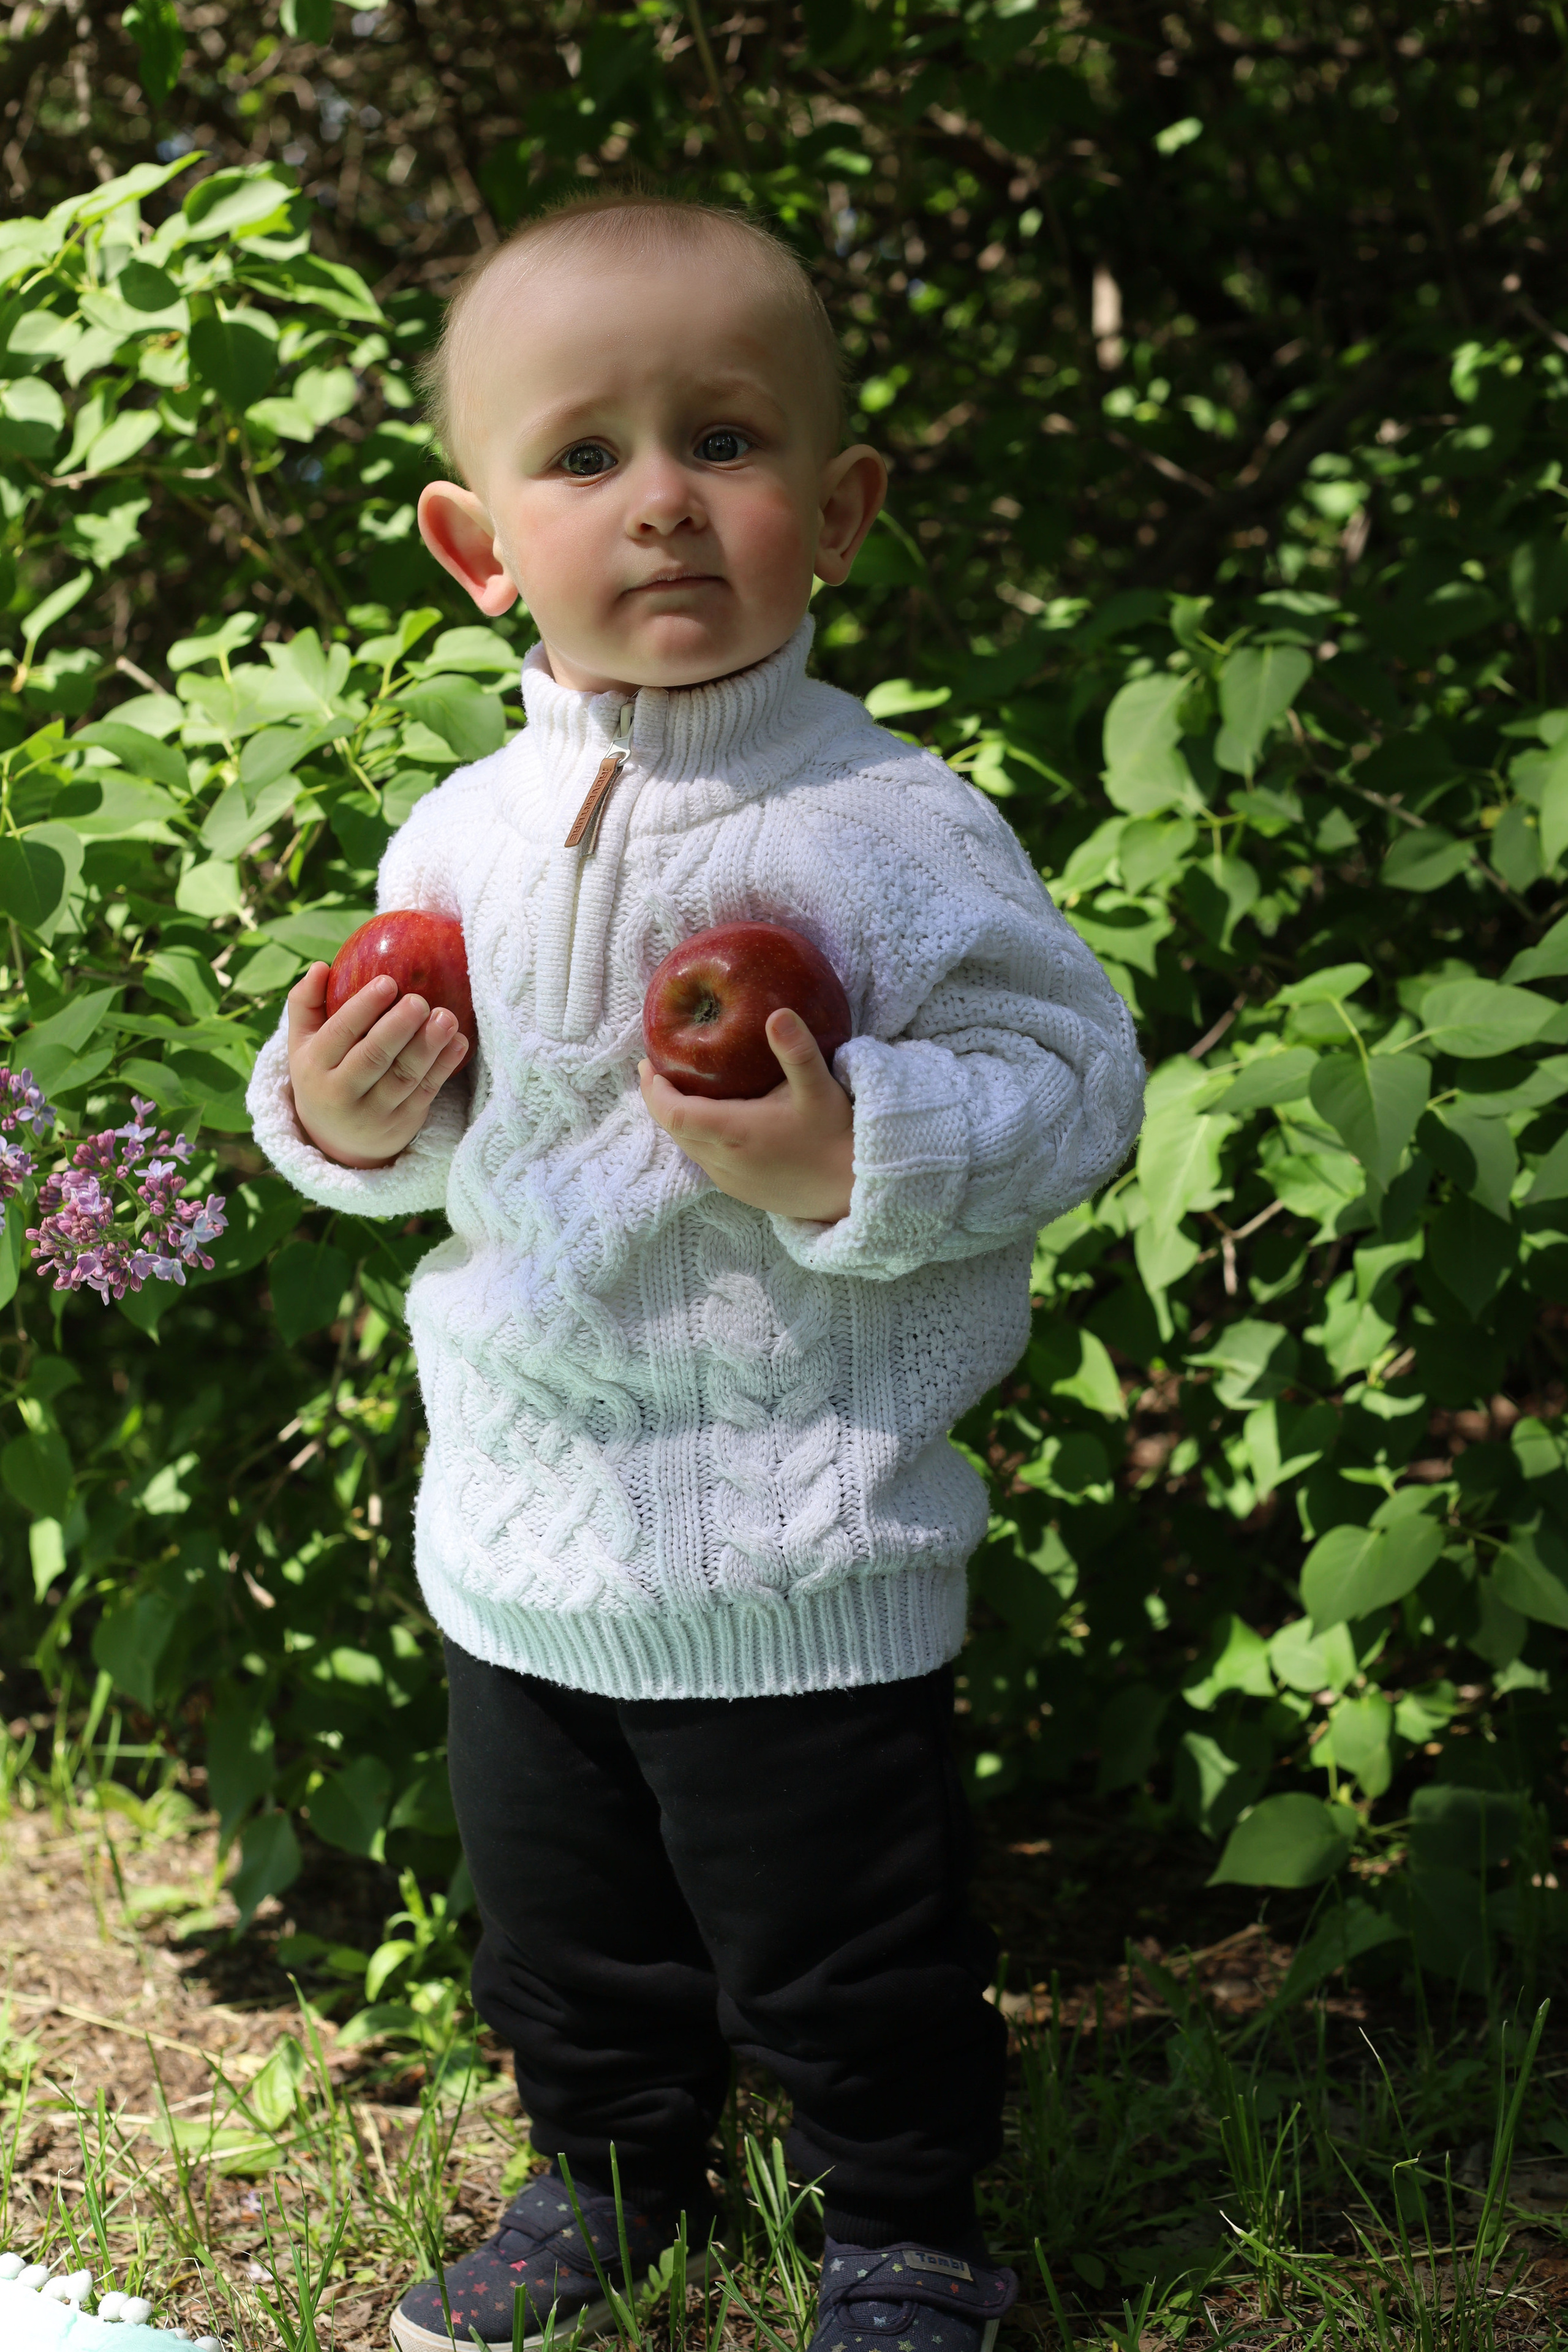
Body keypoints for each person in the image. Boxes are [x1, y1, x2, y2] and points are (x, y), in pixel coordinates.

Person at [245, 192, 1145, 2352]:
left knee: (842, 1929)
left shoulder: (887, 827)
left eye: (724, 442)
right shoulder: (454, 833)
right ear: (481, 550)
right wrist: (348, 1123)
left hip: (800, 1520)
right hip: (525, 1528)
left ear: (834, 509)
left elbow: (1073, 1080)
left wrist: (863, 1142)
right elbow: (422, 1132)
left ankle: (907, 2225)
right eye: (587, 458)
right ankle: (605, 2171)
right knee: (569, 1931)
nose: (661, 502)